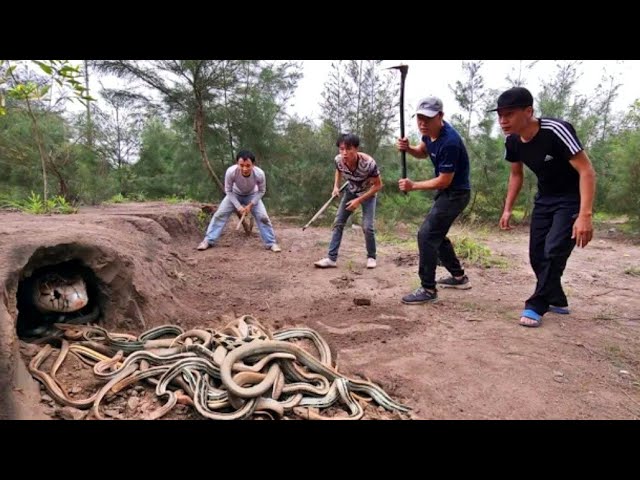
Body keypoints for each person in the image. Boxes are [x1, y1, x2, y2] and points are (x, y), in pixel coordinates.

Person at [489, 86, 596, 327]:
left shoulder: (556, 131)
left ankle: (536, 304)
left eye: (509, 114)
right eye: (500, 115)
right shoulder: (512, 141)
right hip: (545, 199)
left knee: (554, 250)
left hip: (571, 198)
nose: (503, 121)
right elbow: (516, 175)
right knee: (537, 255)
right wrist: (507, 208)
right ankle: (556, 298)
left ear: (528, 111)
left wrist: (585, 215)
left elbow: (586, 170)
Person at [396, 96, 472, 305]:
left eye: (427, 119)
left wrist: (413, 185)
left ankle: (428, 289)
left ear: (440, 116)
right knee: (436, 235)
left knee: (426, 235)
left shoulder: (450, 142)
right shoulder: (429, 134)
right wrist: (409, 148)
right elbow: (422, 152)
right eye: (419, 118)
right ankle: (458, 277)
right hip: (448, 193)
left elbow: (444, 181)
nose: (422, 123)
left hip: (456, 194)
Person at [314, 133, 383, 269]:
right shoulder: (339, 160)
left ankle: (371, 257)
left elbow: (378, 185)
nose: (344, 153)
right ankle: (331, 258)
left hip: (368, 194)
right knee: (338, 222)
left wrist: (359, 200)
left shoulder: (368, 163)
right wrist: (336, 187)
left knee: (368, 227)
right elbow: (338, 171)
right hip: (350, 191)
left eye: (348, 149)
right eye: (341, 149)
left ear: (356, 148)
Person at [196, 150, 281, 252]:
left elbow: (262, 191)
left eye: (248, 165)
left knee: (263, 217)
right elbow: (228, 190)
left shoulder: (259, 174)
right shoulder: (231, 172)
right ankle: (208, 241)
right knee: (220, 215)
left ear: (253, 165)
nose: (244, 168)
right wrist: (238, 206)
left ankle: (271, 243)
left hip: (253, 195)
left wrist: (251, 204)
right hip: (234, 194)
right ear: (237, 164)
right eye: (241, 165)